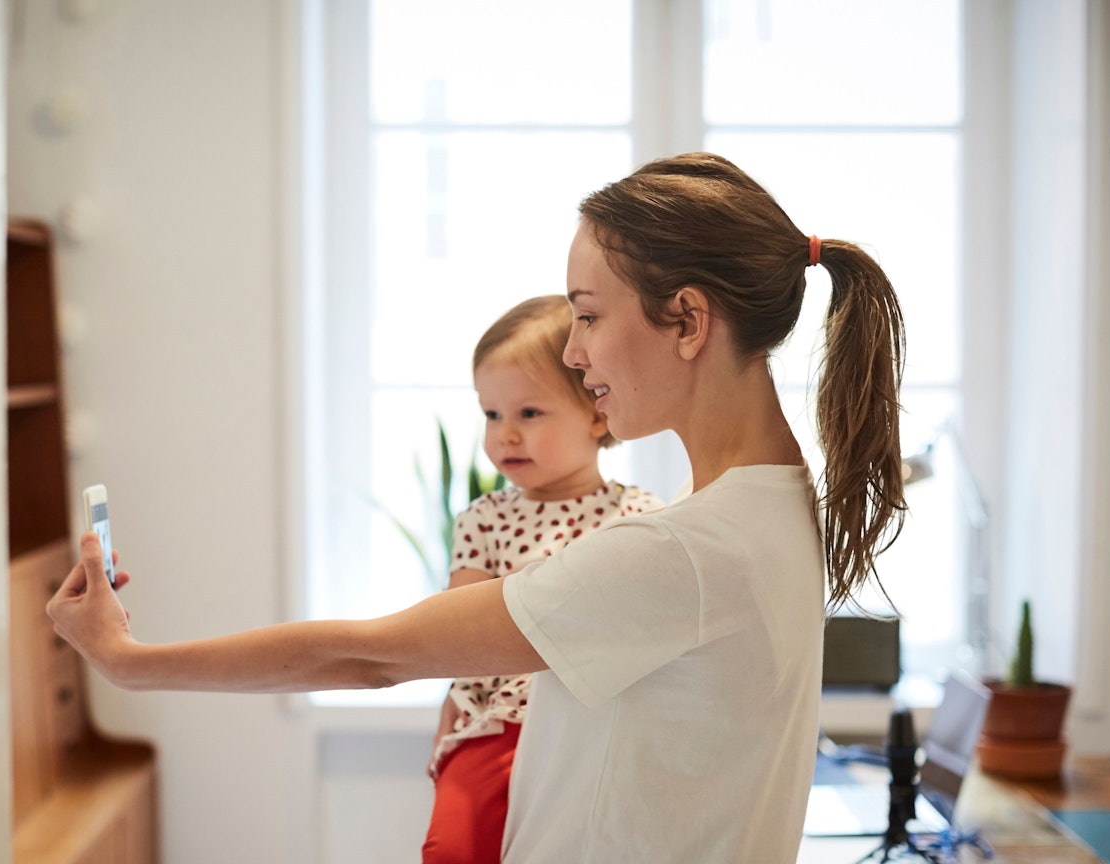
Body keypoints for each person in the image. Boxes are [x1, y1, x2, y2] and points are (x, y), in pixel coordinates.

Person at [47, 151, 907, 862]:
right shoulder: (774, 507)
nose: (574, 355)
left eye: (588, 317)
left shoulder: (683, 549)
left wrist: (129, 659)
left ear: (686, 319)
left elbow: (371, 658)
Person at [422, 295, 664, 864]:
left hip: (598, 731)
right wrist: (451, 697)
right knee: (454, 849)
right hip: (499, 722)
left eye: (528, 413)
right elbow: (458, 630)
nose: (504, 434)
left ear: (597, 414)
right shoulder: (484, 519)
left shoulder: (639, 517)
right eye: (491, 414)